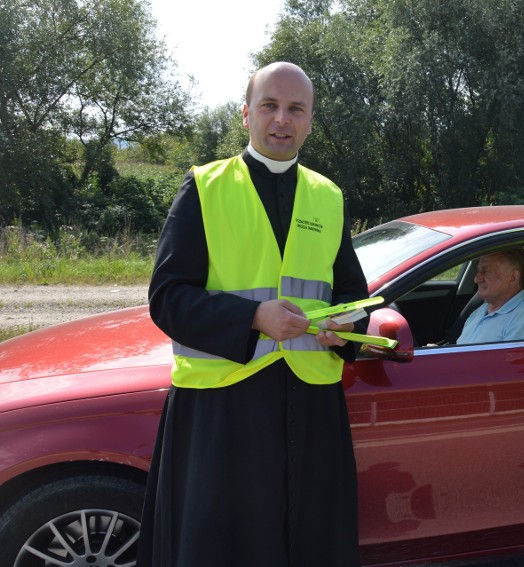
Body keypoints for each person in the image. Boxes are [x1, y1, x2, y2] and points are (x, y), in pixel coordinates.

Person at [138, 62, 368, 566]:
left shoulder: (328, 197)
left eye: (295, 109)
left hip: (311, 412)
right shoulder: (204, 187)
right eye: (270, 106)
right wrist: (251, 317)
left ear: (310, 121)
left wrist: (349, 330)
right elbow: (167, 297)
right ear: (246, 115)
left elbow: (354, 295)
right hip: (225, 413)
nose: (281, 120)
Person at [456, 249, 524, 344]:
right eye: (478, 271)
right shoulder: (481, 310)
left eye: (485, 271)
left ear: (513, 277)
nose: (476, 279)